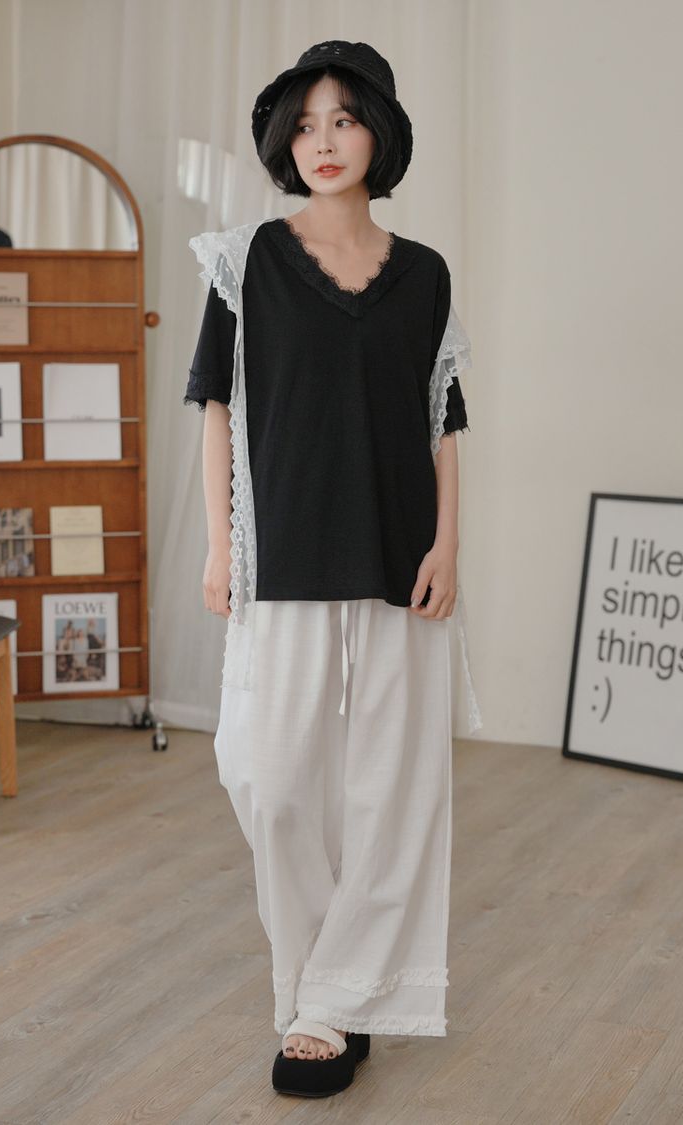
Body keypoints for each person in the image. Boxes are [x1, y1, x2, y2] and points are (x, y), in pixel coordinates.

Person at [184, 40, 482, 1099]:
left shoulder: (426, 274)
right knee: (268, 779)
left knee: (392, 792)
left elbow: (443, 420)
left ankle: (330, 1007)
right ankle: (320, 974)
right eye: (306, 124)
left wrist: (449, 544)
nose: (323, 141)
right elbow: (216, 408)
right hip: (284, 557)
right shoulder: (248, 261)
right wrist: (221, 543)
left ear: (378, 135)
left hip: (401, 557)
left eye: (344, 120)